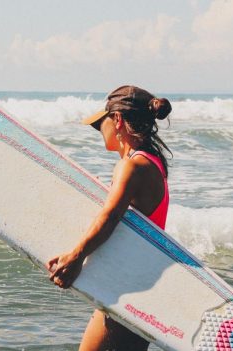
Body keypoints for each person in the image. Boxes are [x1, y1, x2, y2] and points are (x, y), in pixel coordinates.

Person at [46, 85, 172, 350]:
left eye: (100, 124)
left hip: (128, 289)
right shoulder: (152, 162)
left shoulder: (133, 166)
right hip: (140, 285)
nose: (99, 131)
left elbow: (110, 216)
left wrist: (76, 256)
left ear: (117, 120)